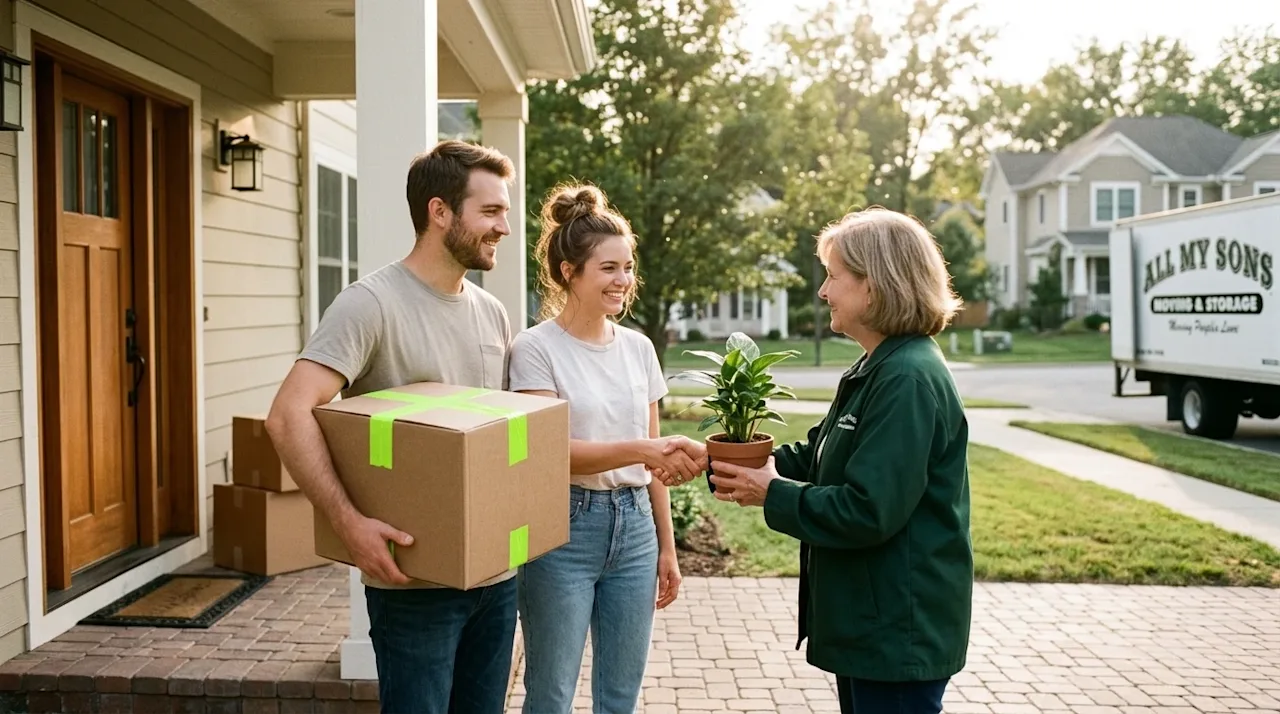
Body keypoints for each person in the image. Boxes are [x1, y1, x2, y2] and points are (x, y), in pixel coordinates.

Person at [264, 140, 520, 714]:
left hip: (496, 581)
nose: (504, 226)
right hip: (413, 584)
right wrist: (347, 523)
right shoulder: (370, 304)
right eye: (491, 211)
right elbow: (288, 415)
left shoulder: (492, 313)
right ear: (439, 212)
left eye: (504, 211)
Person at [701, 207, 973, 714]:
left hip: (897, 632)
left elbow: (869, 510)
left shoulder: (907, 379)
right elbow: (820, 453)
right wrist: (727, 459)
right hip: (874, 628)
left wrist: (771, 492)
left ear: (875, 285)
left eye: (833, 277)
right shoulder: (880, 363)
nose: (823, 292)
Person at [506, 183, 706, 714]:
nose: (624, 281)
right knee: (550, 694)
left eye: (628, 266)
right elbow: (548, 452)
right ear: (570, 272)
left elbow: (656, 462)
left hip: (636, 529)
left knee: (620, 696)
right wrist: (644, 449)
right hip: (564, 531)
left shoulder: (639, 348)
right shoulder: (534, 349)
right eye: (609, 268)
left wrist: (667, 546)